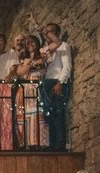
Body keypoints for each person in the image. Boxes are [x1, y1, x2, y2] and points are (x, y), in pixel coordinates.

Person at [40, 23, 71, 151]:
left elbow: (67, 65)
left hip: (57, 81)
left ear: (57, 34)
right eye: (46, 32)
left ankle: (59, 146)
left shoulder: (63, 46)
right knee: (48, 115)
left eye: (51, 31)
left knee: (58, 113)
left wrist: (61, 82)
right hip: (46, 82)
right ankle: (50, 144)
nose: (48, 34)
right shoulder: (45, 49)